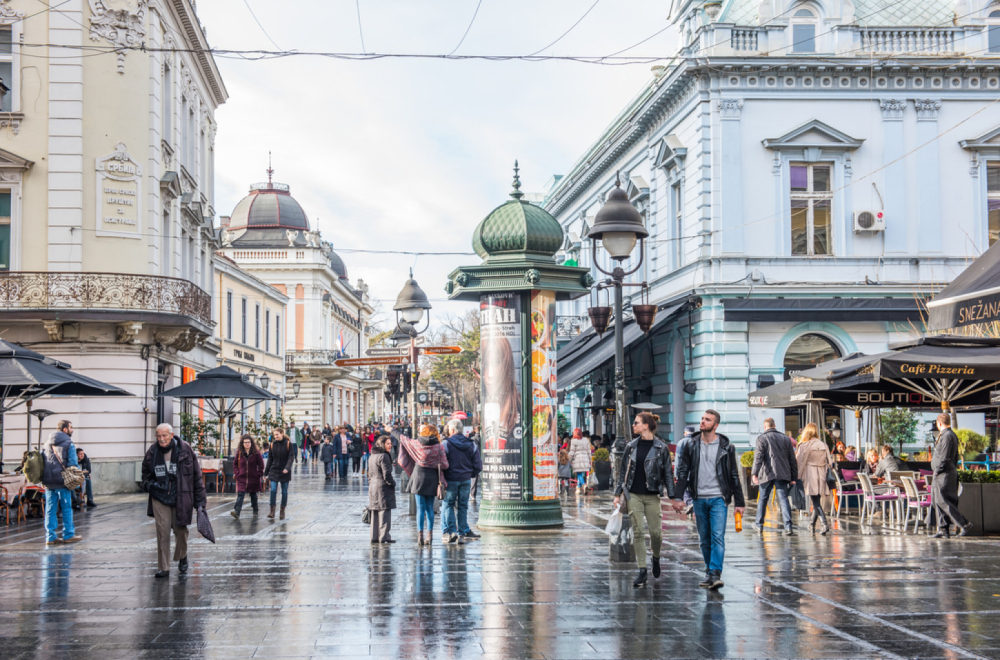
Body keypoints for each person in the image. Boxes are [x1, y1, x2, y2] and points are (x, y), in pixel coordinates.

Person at [672, 409, 745, 591]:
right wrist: (678, 497)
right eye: (703, 418)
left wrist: (740, 502)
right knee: (704, 539)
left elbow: (734, 475)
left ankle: (715, 573)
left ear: (716, 425)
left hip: (719, 498)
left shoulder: (727, 447)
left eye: (707, 420)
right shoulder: (691, 445)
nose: (703, 422)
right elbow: (683, 473)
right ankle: (709, 571)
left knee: (717, 537)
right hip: (699, 498)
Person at [614, 412, 674, 588]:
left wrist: (673, 496)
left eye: (636, 423)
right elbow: (622, 473)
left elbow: (668, 474)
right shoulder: (631, 446)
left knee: (656, 533)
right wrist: (617, 494)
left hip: (652, 494)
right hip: (633, 495)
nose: (633, 426)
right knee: (638, 532)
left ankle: (656, 557)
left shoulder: (661, 448)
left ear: (646, 425)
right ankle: (642, 570)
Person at [140, 423, 206, 578]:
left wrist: (200, 502)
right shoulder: (152, 452)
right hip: (159, 495)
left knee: (181, 530)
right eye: (159, 436)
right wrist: (149, 485)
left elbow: (197, 475)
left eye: (164, 435)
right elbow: (144, 475)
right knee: (162, 532)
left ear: (171, 434)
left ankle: (182, 556)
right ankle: (164, 567)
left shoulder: (185, 449)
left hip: (181, 495)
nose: (162, 439)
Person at [398, 424, 450, 545]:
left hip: (418, 478)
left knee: (420, 508)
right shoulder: (439, 446)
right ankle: (429, 535)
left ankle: (420, 536)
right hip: (432, 478)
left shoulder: (417, 444)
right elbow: (445, 465)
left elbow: (403, 439)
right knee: (429, 508)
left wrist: (392, 430)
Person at [751, 417, 798, 535]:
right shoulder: (785, 439)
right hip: (782, 473)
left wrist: (754, 473)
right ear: (775, 425)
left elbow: (758, 457)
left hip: (766, 473)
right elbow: (792, 459)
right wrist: (793, 477)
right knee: (783, 499)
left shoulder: (761, 438)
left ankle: (759, 525)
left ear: (765, 426)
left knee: (763, 499)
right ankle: (788, 527)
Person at [931, 413, 973, 538]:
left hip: (944, 474)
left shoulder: (947, 436)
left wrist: (938, 470)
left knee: (943, 501)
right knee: (938, 500)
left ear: (939, 423)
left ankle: (964, 524)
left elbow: (945, 457)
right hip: (943, 473)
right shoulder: (948, 435)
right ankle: (943, 529)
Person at [442, 418, 482, 542]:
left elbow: (442, 463)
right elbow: (478, 465)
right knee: (463, 506)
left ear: (452, 429)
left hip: (451, 479)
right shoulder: (471, 444)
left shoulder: (446, 444)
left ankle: (450, 531)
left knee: (448, 504)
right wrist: (470, 474)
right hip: (465, 479)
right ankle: (463, 531)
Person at [42, 421, 82, 546]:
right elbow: (72, 464)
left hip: (48, 481)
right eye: (71, 427)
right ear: (65, 429)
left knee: (50, 509)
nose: (73, 429)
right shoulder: (69, 443)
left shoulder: (46, 443)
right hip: (62, 481)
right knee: (66, 507)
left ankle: (50, 537)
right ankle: (68, 534)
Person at [794, 423, 833, 534]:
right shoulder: (823, 444)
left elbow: (801, 463)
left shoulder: (805, 445)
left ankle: (824, 524)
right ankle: (811, 524)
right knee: (817, 499)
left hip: (811, 473)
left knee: (815, 501)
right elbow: (830, 462)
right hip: (822, 473)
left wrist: (798, 476)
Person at [368, 435, 396, 544]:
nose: (390, 446)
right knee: (384, 511)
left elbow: (369, 474)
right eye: (388, 444)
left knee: (375, 511)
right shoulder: (384, 456)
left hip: (373, 486)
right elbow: (387, 474)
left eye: (390, 443)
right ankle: (384, 536)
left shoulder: (372, 456)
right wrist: (392, 483)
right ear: (382, 444)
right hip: (383, 487)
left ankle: (374, 536)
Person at [231, 434, 265, 519]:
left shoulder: (256, 453)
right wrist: (237, 473)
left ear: (251, 443)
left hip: (253, 478)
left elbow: (261, 465)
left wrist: (258, 474)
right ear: (242, 444)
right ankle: (237, 512)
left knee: (253, 495)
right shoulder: (239, 453)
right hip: (242, 477)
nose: (247, 444)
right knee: (240, 494)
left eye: (248, 442)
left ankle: (255, 510)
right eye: (245, 442)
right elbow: (235, 464)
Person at [264, 427, 295, 519]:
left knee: (284, 491)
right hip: (274, 470)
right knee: (273, 490)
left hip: (284, 471)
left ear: (282, 433)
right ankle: (272, 511)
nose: (275, 436)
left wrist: (287, 468)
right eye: (274, 435)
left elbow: (291, 457)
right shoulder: (272, 445)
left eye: (277, 434)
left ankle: (282, 511)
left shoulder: (288, 444)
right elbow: (270, 459)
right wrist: (265, 473)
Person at [568, 428, 592, 495]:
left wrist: (569, 460)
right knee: (581, 474)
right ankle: (578, 489)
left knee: (579, 474)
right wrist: (590, 460)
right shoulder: (586, 440)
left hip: (577, 460)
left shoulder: (573, 441)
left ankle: (584, 485)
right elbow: (589, 451)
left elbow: (572, 452)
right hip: (585, 459)